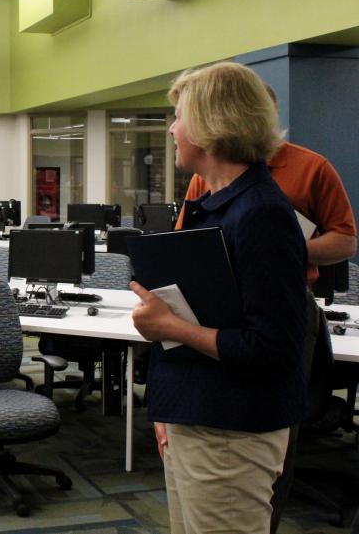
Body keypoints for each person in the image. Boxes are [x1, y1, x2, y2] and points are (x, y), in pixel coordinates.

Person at [130, 61, 308, 534]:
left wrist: (170, 327)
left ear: (213, 123)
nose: (171, 128)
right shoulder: (218, 206)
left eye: (180, 115)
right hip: (199, 414)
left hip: (232, 429)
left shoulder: (260, 214)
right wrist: (168, 408)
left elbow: (272, 348)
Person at [177, 91, 357, 533]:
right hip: (223, 309)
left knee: (273, 422)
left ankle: (267, 509)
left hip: (284, 301)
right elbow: (186, 238)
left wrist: (279, 250)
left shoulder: (309, 168)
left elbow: (346, 240)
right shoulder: (207, 177)